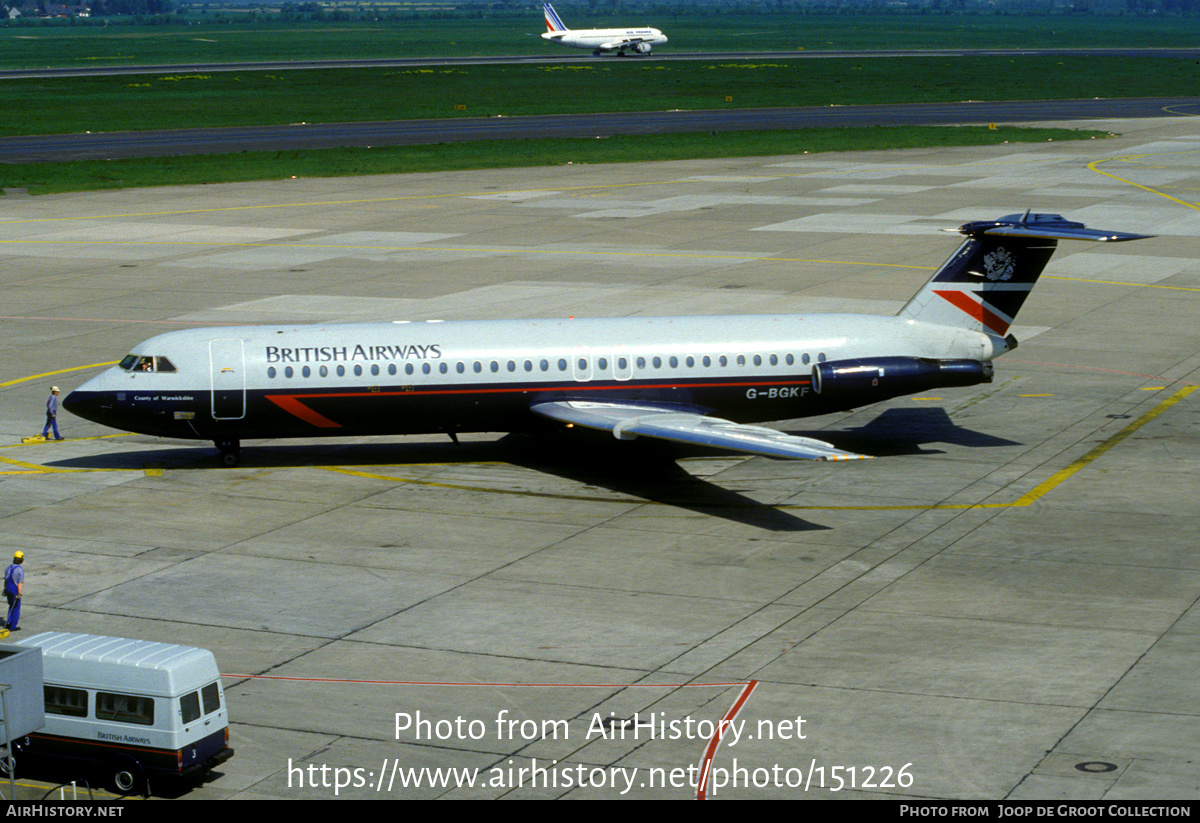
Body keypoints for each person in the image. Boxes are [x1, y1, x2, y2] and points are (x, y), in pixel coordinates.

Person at [4, 551, 24, 631]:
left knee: (10, 605)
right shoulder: (20, 570)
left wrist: (4, 589)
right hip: (14, 589)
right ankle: (13, 626)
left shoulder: (8, 568)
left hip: (8, 588)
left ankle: (8, 623)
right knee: (15, 607)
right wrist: (19, 593)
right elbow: (20, 582)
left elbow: (6, 580)